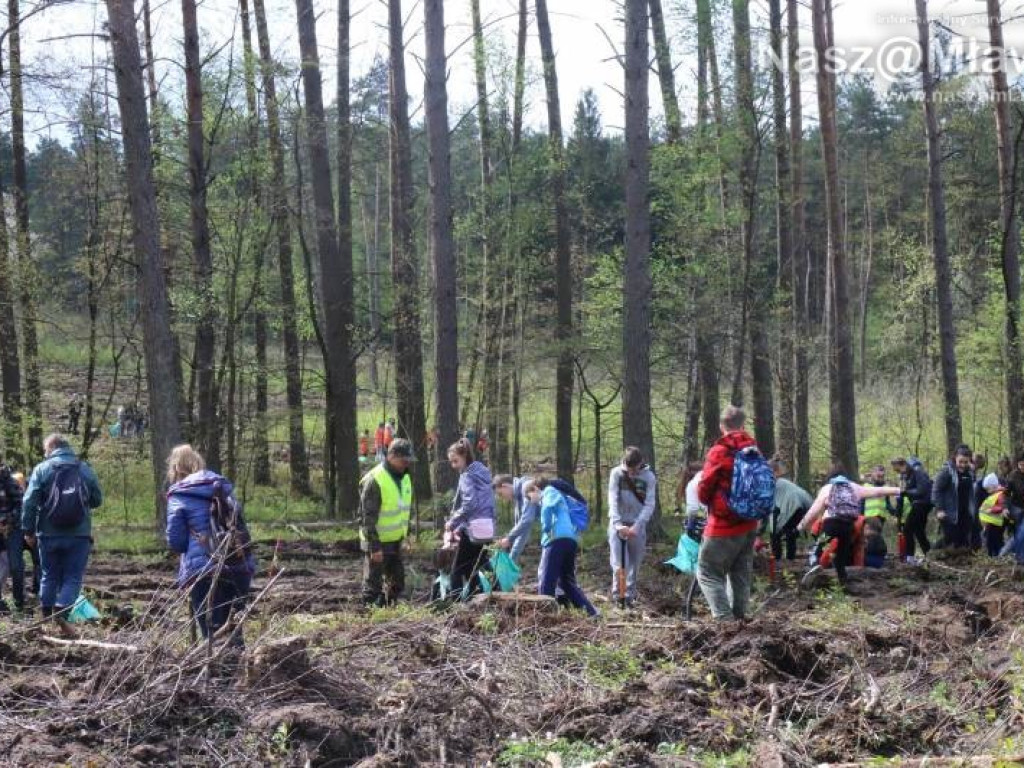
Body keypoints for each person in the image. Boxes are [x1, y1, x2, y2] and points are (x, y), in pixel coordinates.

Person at [166, 444, 256, 645]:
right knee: (233, 631)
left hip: (203, 570)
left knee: (213, 634)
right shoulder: (223, 488)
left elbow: (176, 541)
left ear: (176, 469)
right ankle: (238, 663)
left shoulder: (179, 495)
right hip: (238, 566)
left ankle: (221, 665)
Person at [22, 434, 103, 636]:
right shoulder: (83, 468)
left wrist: (28, 531)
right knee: (72, 576)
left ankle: (46, 616)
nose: (45, 453)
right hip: (79, 534)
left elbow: (29, 502)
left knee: (48, 574)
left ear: (51, 448)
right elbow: (97, 500)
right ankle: (62, 609)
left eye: (45, 450)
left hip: (48, 533)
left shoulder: (42, 469)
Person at [696, 405, 760, 621]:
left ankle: (725, 622)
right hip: (749, 523)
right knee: (740, 574)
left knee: (707, 572)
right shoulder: (753, 450)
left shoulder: (719, 451)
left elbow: (704, 488)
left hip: (723, 524)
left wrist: (709, 501)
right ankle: (740, 620)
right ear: (743, 425)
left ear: (721, 426)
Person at [799, 467, 900, 586]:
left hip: (830, 526)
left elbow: (814, 510)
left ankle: (814, 567)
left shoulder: (827, 488)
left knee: (818, 549)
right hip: (848, 526)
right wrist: (899, 490)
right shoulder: (854, 487)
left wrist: (800, 526)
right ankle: (843, 582)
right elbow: (878, 491)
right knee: (840, 555)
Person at [524, 478, 597, 616]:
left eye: (530, 497)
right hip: (570, 540)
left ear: (535, 489)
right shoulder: (559, 495)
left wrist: (546, 528)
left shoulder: (549, 491)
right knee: (566, 581)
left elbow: (547, 508)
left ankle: (544, 613)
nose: (532, 501)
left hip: (555, 540)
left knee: (547, 579)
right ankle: (591, 613)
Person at [358, 439, 414, 607]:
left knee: (397, 583)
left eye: (408, 460)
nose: (407, 464)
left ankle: (386, 610)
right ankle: (368, 615)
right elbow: (367, 517)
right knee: (372, 586)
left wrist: (407, 535)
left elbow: (405, 509)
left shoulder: (404, 477)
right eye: (404, 460)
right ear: (391, 456)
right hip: (377, 541)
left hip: (395, 541)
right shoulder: (375, 479)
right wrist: (374, 547)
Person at [445, 439, 496, 597]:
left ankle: (454, 601)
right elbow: (483, 505)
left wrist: (453, 522)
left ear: (465, 456)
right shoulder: (483, 473)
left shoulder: (467, 476)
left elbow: (470, 505)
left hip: (473, 529)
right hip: (487, 527)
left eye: (455, 461)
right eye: (451, 462)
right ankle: (486, 594)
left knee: (457, 568)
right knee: (477, 564)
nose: (453, 465)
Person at [607, 447, 657, 606]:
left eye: (634, 470)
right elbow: (612, 499)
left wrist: (638, 525)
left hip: (637, 525)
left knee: (634, 564)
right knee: (620, 564)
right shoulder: (616, 473)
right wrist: (617, 524)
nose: (632, 474)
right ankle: (619, 596)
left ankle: (629, 596)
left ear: (641, 463)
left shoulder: (649, 477)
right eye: (629, 470)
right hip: (618, 525)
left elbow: (649, 504)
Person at [932, 444, 977, 550]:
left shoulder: (970, 472)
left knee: (963, 541)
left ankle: (958, 558)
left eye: (966, 462)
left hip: (965, 512)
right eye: (960, 461)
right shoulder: (947, 471)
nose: (963, 465)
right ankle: (933, 552)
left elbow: (971, 491)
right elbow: (936, 490)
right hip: (949, 512)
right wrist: (939, 509)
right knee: (950, 539)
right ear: (955, 458)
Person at [769, 459, 814, 562]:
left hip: (794, 505)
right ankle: (790, 558)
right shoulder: (785, 482)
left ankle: (777, 559)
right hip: (803, 504)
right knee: (791, 532)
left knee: (775, 533)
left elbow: (773, 510)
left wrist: (762, 531)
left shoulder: (774, 484)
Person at [891, 456, 933, 561]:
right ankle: (930, 555)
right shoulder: (907, 475)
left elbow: (922, 490)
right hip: (918, 504)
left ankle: (910, 558)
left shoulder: (918, 472)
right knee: (919, 531)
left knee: (907, 529)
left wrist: (906, 492)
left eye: (898, 470)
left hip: (922, 504)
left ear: (903, 464)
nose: (899, 473)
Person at [495, 474, 539, 564]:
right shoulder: (518, 500)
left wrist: (509, 538)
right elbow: (522, 529)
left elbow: (527, 520)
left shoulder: (525, 488)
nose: (502, 498)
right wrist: (512, 559)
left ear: (505, 486)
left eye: (500, 494)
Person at [0, 461, 25, 612]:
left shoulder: (9, 481)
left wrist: (7, 521)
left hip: (10, 529)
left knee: (14, 565)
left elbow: (20, 504)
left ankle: (18, 603)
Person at [978, 473, 1008, 557]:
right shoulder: (995, 494)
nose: (987, 491)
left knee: (994, 539)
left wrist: (992, 509)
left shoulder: (1000, 494)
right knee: (992, 539)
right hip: (992, 522)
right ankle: (993, 554)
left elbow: (1002, 506)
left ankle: (995, 554)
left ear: (994, 486)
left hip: (996, 522)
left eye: (988, 489)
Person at [862, 465, 896, 530]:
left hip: (881, 517)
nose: (880, 478)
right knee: (872, 534)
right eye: (878, 476)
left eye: (882, 476)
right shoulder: (866, 486)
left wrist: (894, 512)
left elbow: (887, 503)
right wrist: (860, 517)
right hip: (869, 517)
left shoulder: (885, 488)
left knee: (877, 534)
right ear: (873, 474)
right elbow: (862, 503)